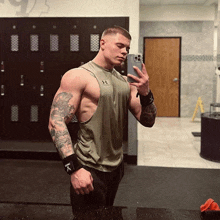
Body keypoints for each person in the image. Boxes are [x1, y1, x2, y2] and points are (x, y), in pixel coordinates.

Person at [48, 26, 157, 216]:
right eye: (120, 45)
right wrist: (73, 169)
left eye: (128, 49)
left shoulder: (125, 82)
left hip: (116, 168)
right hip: (88, 167)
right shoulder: (79, 76)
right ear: (102, 43)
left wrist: (146, 94)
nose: (124, 52)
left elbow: (148, 120)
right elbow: (56, 122)